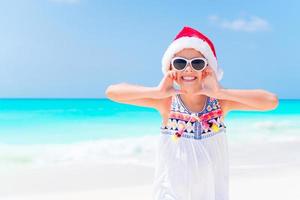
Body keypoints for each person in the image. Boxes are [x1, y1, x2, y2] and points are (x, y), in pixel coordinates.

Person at [105, 26, 279, 200]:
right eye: (180, 63)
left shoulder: (220, 103)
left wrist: (221, 92)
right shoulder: (166, 102)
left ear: (208, 69)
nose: (188, 69)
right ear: (170, 69)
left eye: (197, 63)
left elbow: (271, 101)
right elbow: (112, 92)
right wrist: (156, 92)